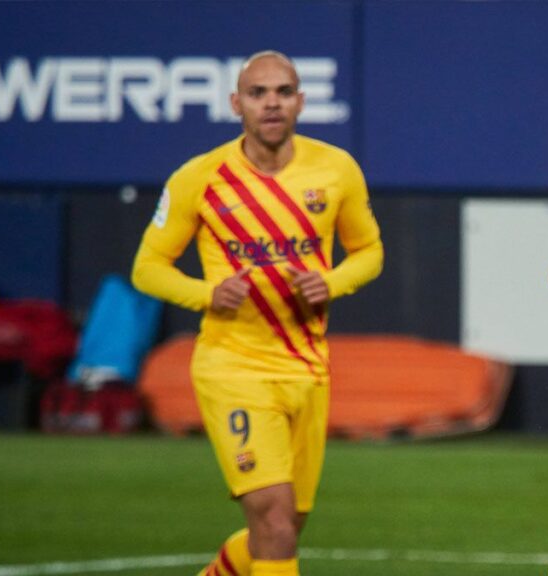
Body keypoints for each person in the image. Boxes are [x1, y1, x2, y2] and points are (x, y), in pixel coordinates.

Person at [130, 50, 383, 576]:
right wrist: (207, 293)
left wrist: (330, 282)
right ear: (236, 103)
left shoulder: (336, 169)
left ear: (301, 101)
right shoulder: (199, 177)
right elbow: (147, 268)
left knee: (284, 525)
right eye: (258, 93)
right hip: (233, 367)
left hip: (307, 369)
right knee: (273, 520)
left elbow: (370, 252)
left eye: (283, 92)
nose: (272, 103)